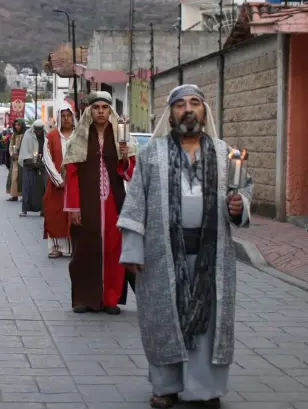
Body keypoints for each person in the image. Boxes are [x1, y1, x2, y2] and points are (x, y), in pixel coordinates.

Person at [117, 84, 252, 409]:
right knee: (165, 319)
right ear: (171, 113)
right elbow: (136, 202)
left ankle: (205, 390)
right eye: (180, 104)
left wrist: (239, 206)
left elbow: (243, 190)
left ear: (204, 111)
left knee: (208, 322)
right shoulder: (152, 155)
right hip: (161, 256)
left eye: (195, 103)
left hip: (213, 257)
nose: (188, 109)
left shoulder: (224, 154)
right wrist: (133, 250)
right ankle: (166, 387)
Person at [63, 91, 136, 315]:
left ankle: (111, 298)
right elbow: (72, 173)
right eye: (97, 108)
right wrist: (74, 207)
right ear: (90, 111)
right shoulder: (80, 138)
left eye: (105, 107)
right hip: (86, 202)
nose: (101, 111)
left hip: (113, 201)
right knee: (85, 248)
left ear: (110, 110)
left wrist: (125, 158)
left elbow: (129, 173)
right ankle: (85, 297)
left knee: (114, 248)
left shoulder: (122, 137)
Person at [42, 103, 76, 258]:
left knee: (74, 215)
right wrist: (58, 179)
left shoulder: (79, 136)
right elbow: (47, 159)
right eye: (63, 116)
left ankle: (74, 248)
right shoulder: (51, 137)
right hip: (57, 185)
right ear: (59, 118)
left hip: (76, 184)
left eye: (69, 116)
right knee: (54, 214)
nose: (66, 119)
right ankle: (56, 247)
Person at [18, 120, 46, 216]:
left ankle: (43, 209)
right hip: (29, 164)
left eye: (40, 130)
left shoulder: (46, 135)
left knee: (43, 188)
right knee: (27, 187)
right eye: (37, 130)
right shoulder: (28, 135)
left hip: (42, 164)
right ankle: (24, 210)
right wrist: (33, 161)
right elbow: (24, 151)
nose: (38, 132)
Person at [5, 119, 25, 201]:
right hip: (14, 160)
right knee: (13, 177)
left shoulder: (25, 135)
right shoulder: (14, 135)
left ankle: (24, 196)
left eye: (19, 125)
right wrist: (12, 154)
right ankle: (14, 195)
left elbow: (27, 148)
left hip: (23, 160)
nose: (17, 127)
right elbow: (11, 146)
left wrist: (20, 156)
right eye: (16, 125)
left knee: (22, 177)